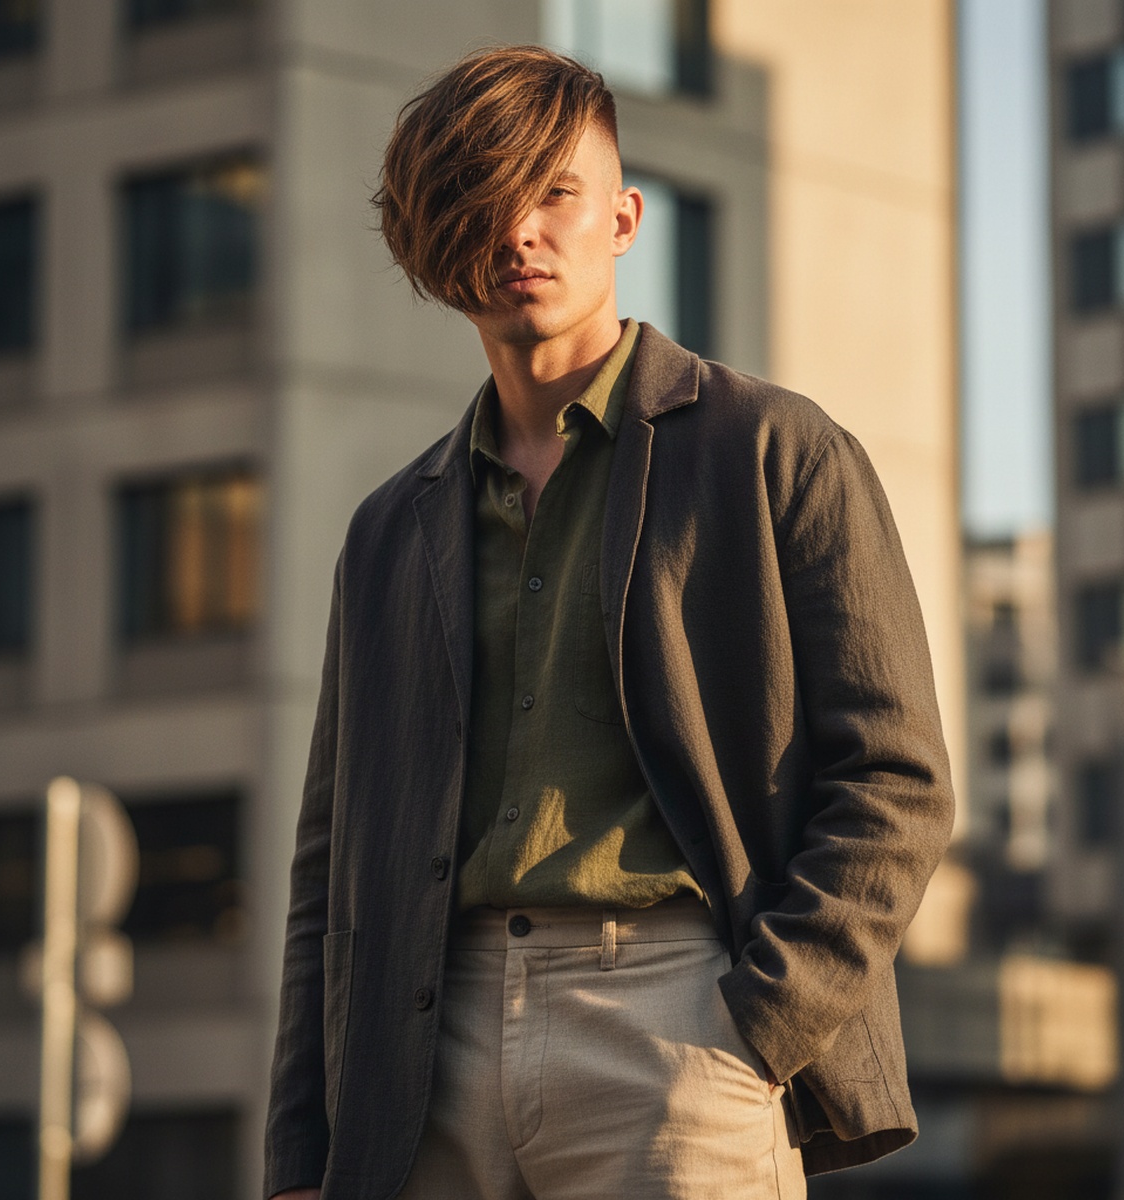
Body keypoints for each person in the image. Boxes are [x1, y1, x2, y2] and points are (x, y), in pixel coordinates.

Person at [265, 44, 954, 1200]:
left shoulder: (775, 453)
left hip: (677, 1024)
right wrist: (302, 1142)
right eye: (482, 203)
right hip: (418, 1055)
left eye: (556, 193)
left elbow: (898, 781)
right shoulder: (390, 531)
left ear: (626, 218)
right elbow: (330, 866)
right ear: (435, 245)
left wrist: (758, 1026)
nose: (519, 232)